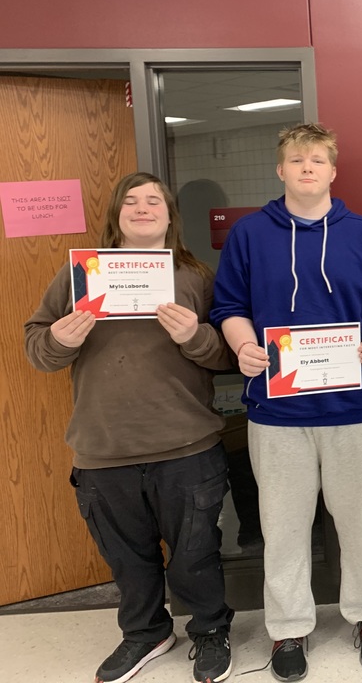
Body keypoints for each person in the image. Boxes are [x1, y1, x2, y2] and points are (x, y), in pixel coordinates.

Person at [24, 173, 235, 683]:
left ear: (169, 216)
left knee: (195, 554)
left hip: (186, 444)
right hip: (103, 449)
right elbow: (38, 350)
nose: (143, 209)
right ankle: (146, 633)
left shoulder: (197, 277)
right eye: (132, 201)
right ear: (117, 214)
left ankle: (210, 630)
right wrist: (60, 338)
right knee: (127, 559)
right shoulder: (81, 275)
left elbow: (230, 355)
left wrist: (195, 336)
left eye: (154, 202)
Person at [210, 123, 362, 677]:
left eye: (317, 160)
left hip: (355, 408)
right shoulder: (250, 234)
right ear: (281, 170)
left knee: (361, 521)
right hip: (277, 412)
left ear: (333, 171)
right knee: (284, 527)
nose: (307, 168)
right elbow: (229, 306)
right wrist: (244, 345)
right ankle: (289, 630)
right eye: (297, 160)